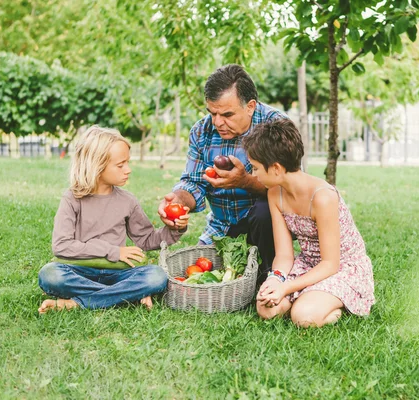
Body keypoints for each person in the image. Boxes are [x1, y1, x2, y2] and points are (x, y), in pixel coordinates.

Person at [38, 126, 189, 313]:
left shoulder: (127, 200)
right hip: (79, 271)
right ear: (97, 166)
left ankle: (77, 302)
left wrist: (174, 228)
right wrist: (113, 251)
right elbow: (61, 245)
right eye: (120, 165)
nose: (128, 169)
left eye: (127, 162)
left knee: (156, 276)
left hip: (120, 273)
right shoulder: (72, 199)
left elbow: (146, 239)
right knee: (50, 275)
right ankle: (127, 295)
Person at [242, 119, 376, 327]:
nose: (253, 174)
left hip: (341, 267)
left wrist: (286, 288)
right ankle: (309, 297)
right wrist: (275, 279)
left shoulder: (322, 197)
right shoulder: (275, 194)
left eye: (256, 168)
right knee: (266, 309)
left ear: (276, 168)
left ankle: (333, 304)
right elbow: (285, 255)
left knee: (303, 317)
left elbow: (330, 264)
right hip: (308, 264)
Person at [158, 64, 286, 281]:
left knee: (264, 212)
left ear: (250, 106)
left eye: (227, 114)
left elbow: (288, 190)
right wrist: (177, 201)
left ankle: (268, 273)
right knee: (198, 275)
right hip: (222, 226)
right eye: (212, 113)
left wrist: (245, 182)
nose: (217, 122)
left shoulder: (276, 126)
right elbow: (193, 183)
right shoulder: (201, 131)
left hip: (266, 225)